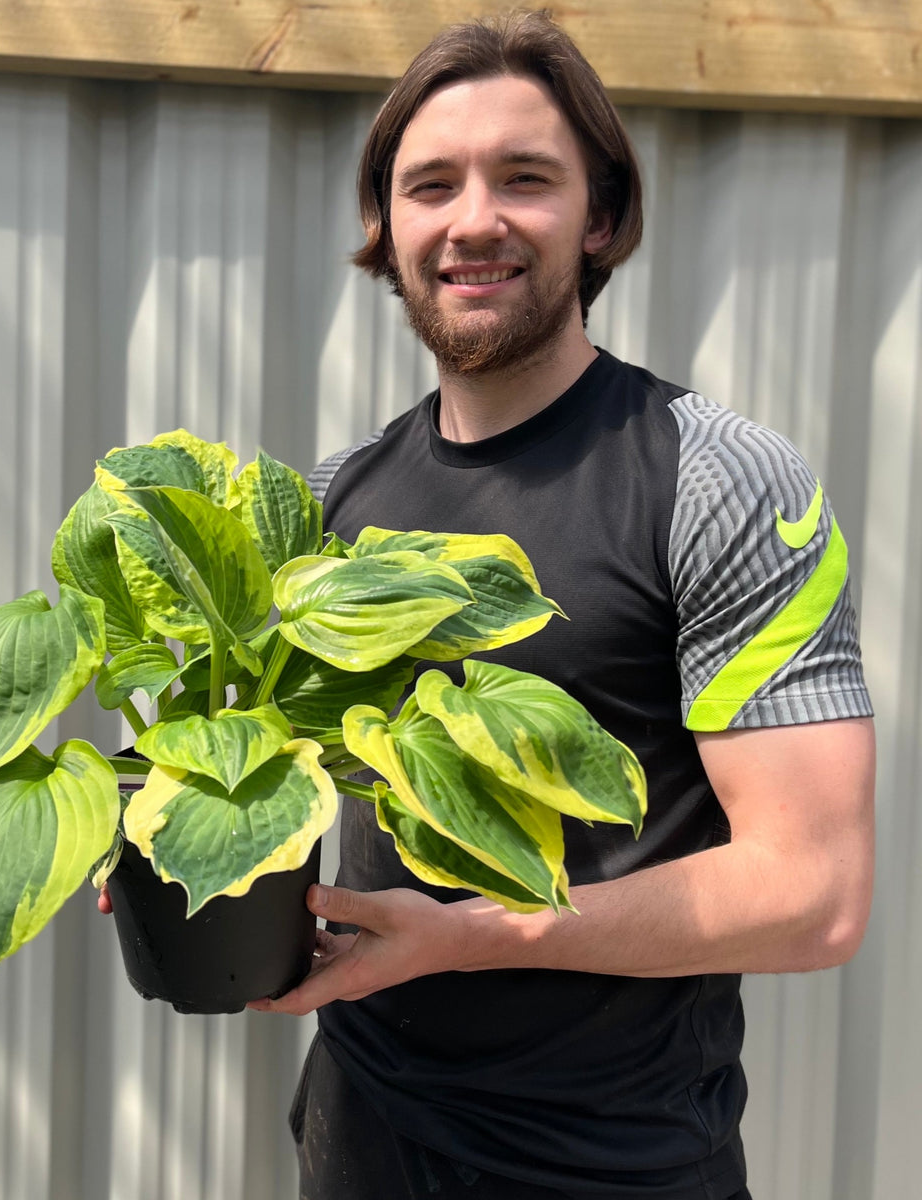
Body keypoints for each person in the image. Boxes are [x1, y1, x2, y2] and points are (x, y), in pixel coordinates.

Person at [241, 10, 877, 1200]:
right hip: (358, 1135)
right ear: (390, 225)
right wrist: (171, 840)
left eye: (523, 178)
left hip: (617, 1165)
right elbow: (279, 777)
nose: (472, 218)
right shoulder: (331, 502)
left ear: (598, 216)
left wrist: (486, 935)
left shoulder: (717, 481)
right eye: (431, 184)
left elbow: (815, 895)